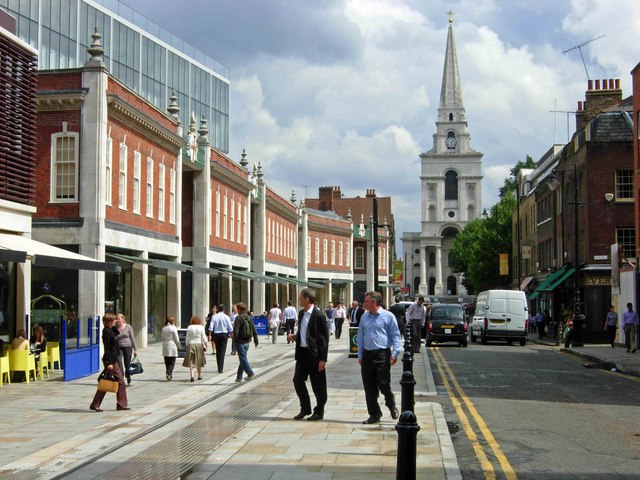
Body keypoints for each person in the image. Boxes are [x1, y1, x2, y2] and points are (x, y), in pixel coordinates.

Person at [357, 291, 402, 424]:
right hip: (367, 354)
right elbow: (360, 337)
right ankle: (374, 414)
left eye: (367, 301)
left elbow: (395, 336)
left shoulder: (388, 316)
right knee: (369, 386)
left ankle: (391, 404)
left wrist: (395, 353)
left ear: (375, 302)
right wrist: (360, 355)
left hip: (382, 354)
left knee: (383, 383)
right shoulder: (364, 317)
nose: (364, 303)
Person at [289, 287, 329, 421]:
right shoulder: (301, 314)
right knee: (297, 380)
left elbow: (324, 339)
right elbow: (304, 331)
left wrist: (323, 359)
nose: (299, 299)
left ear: (307, 299)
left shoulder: (319, 315)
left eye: (300, 297)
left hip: (315, 355)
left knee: (318, 384)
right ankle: (305, 408)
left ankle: (319, 411)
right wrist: (295, 336)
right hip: (302, 354)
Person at [90, 313, 129, 412]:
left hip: (113, 359)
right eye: (114, 320)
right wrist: (109, 363)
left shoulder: (111, 330)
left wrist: (115, 327)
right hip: (111, 360)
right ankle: (121, 404)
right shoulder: (106, 331)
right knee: (119, 381)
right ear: (109, 321)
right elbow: (107, 348)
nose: (116, 321)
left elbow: (117, 334)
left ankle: (96, 404)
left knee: (106, 381)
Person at [233, 302, 259, 382]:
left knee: (243, 358)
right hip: (247, 341)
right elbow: (254, 329)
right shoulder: (249, 317)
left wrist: (235, 342)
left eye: (237, 308)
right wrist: (256, 340)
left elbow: (236, 331)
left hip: (240, 342)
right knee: (243, 358)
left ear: (240, 309)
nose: (236, 310)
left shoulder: (238, 318)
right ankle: (239, 377)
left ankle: (250, 373)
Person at [182, 315, 208, 382]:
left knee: (191, 360)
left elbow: (187, 337)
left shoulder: (189, 327)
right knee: (199, 360)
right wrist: (206, 344)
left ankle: (192, 375)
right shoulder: (201, 327)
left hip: (191, 344)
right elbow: (203, 337)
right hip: (199, 344)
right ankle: (199, 375)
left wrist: (186, 344)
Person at [209, 304, 233, 373]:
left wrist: (210, 335)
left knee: (218, 351)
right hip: (224, 335)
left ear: (218, 309)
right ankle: (220, 368)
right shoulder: (226, 317)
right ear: (224, 309)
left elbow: (211, 327)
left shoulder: (214, 317)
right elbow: (230, 327)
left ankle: (219, 366)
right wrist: (231, 334)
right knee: (222, 351)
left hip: (216, 334)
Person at [115, 313, 137, 385]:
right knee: (119, 361)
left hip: (128, 346)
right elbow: (114, 337)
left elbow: (132, 338)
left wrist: (135, 349)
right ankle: (121, 376)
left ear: (123, 319)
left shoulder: (128, 327)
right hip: (118, 347)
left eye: (119, 318)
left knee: (127, 362)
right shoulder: (115, 328)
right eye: (116, 319)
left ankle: (128, 376)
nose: (117, 320)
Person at [161, 315, 180, 381]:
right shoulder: (173, 328)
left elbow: (162, 337)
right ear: (172, 321)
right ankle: (169, 372)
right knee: (172, 361)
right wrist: (179, 345)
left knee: (166, 361)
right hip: (172, 344)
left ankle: (168, 373)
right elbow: (176, 338)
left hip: (165, 345)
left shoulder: (164, 328)